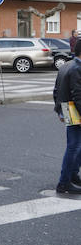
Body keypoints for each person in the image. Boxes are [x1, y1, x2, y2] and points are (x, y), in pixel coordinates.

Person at [53, 39, 81, 194]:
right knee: (74, 146)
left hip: (67, 108)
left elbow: (56, 90)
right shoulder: (77, 68)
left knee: (76, 145)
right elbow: (78, 96)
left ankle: (72, 175)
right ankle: (64, 182)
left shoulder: (66, 65)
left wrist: (59, 111)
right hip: (74, 109)